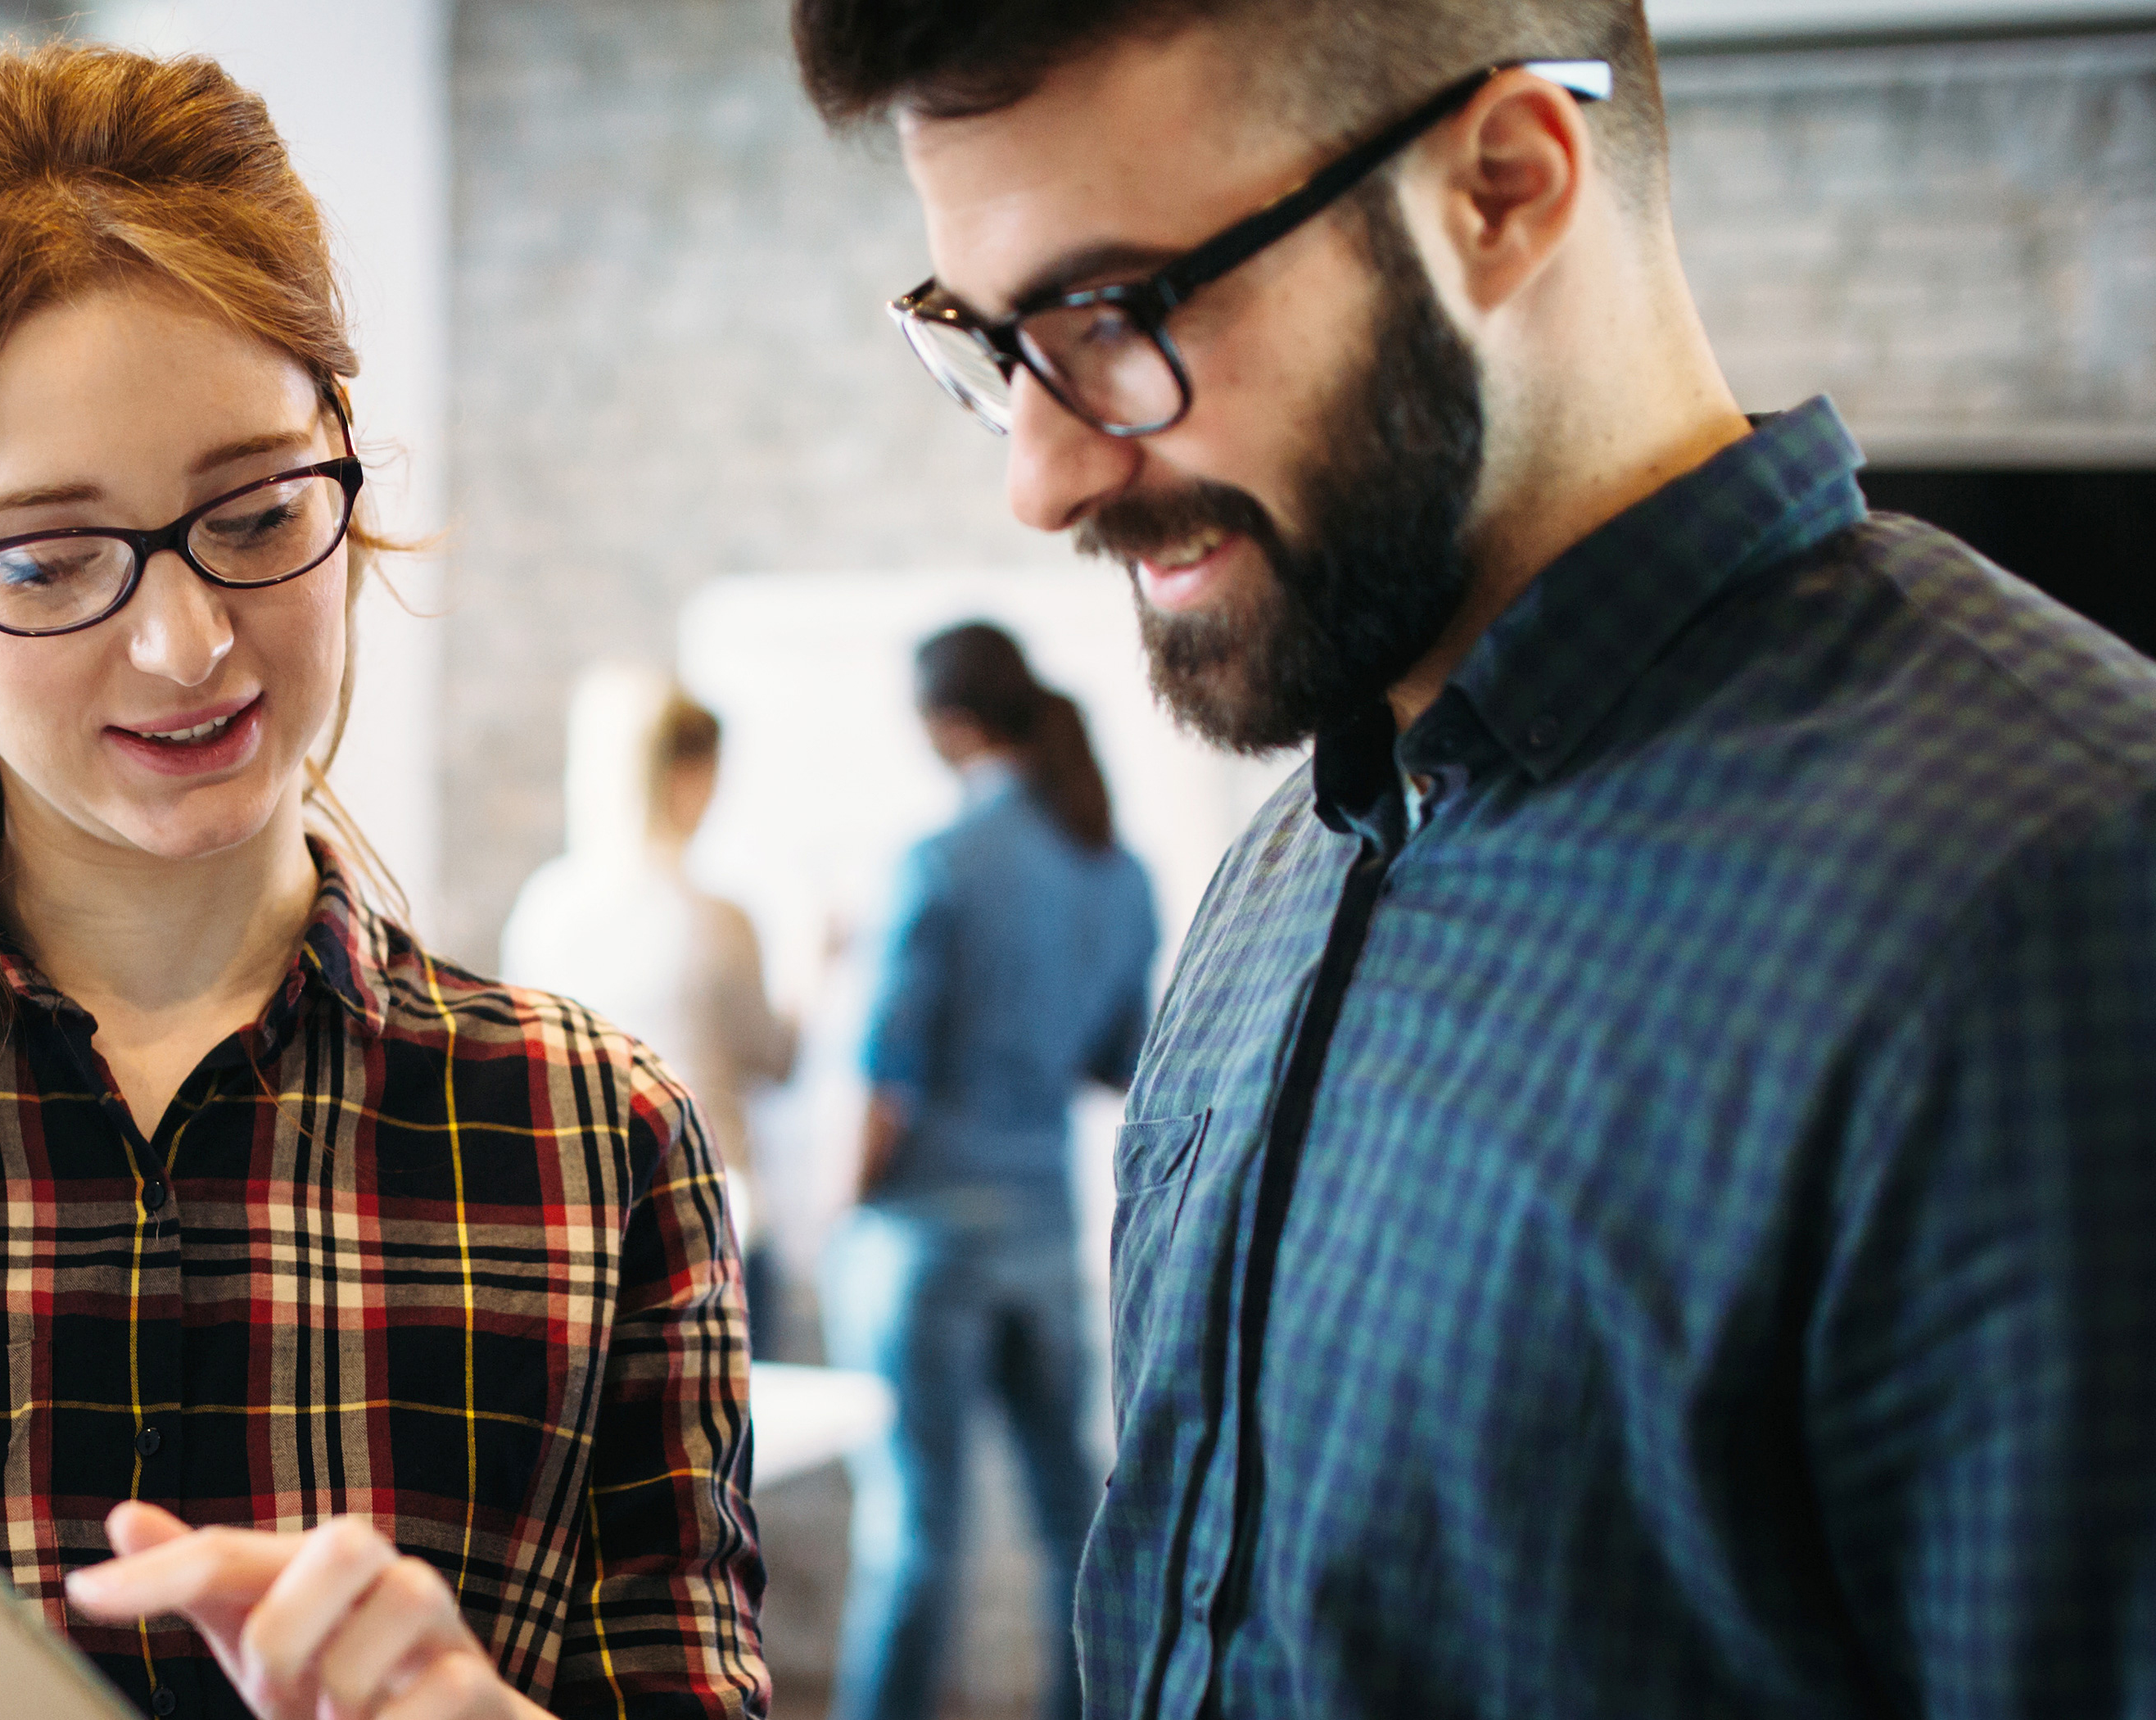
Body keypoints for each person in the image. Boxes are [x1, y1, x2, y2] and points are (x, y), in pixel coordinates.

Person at [791, 0, 2156, 1714]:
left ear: (1505, 187)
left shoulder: (2055, 899)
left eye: (1117, 314)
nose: (1044, 478)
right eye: (991, 341)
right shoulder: (1291, 866)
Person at [0, 41, 762, 1720]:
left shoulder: (588, 1142)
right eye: (50, 561)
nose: (188, 644)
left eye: (258, 516)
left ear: (343, 446)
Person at [820, 622, 1153, 1720]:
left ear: (949, 726)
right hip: (1047, 1233)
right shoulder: (1116, 870)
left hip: (928, 1237)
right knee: (1075, 1525)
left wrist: (840, 1207)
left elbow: (889, 1076)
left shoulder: (940, 863)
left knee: (917, 1536)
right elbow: (1118, 1059)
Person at [499, 664, 798, 1352]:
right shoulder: (716, 917)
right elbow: (774, 1059)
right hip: (713, 1218)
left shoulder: (546, 908)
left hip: (584, 1223)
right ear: (687, 774)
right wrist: (814, 968)